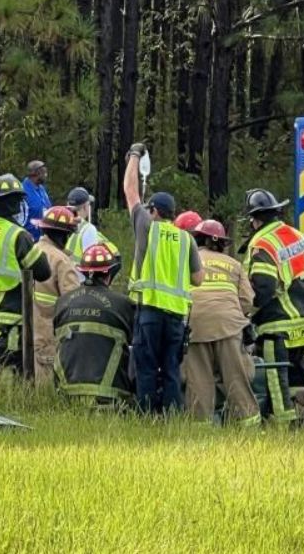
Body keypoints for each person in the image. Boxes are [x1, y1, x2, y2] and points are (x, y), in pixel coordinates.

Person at [122, 143, 205, 414]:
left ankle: (148, 418)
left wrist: (134, 155)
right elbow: (198, 278)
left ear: (154, 211)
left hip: (149, 312)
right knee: (171, 370)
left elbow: (130, 191)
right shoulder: (186, 239)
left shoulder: (147, 227)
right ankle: (173, 418)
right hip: (176, 318)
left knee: (146, 368)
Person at [242, 188, 304, 425]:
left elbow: (263, 288)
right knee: (299, 374)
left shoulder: (263, 244)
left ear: (254, 219)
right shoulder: (295, 235)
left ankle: (285, 425)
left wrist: (247, 315)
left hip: (278, 325)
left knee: (276, 377)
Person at [0, 173, 52, 379]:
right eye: (18, 201)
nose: (19, 206)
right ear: (12, 203)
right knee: (11, 374)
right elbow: (43, 272)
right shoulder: (18, 235)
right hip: (9, 318)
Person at [183, 219, 260, 426]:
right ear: (222, 243)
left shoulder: (186, 260)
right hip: (228, 326)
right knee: (236, 378)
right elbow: (248, 301)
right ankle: (248, 425)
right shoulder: (234, 265)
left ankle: (200, 431)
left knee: (199, 382)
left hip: (194, 325)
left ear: (197, 239)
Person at [54, 244, 136, 406]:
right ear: (109, 274)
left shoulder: (62, 302)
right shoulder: (124, 304)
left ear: (83, 272)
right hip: (110, 397)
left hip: (67, 395)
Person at [31, 206, 82, 387]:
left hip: (27, 328)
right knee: (46, 385)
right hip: (48, 333)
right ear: (63, 235)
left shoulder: (32, 251)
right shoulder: (61, 261)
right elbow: (74, 303)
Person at [65, 187, 118, 260]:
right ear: (85, 207)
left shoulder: (63, 225)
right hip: (81, 271)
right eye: (89, 204)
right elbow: (91, 261)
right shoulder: (88, 229)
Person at [22, 160, 51, 240]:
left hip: (43, 239)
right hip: (29, 240)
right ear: (37, 173)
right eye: (44, 172)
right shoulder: (23, 191)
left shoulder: (41, 189)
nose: (46, 175)